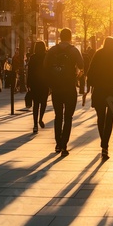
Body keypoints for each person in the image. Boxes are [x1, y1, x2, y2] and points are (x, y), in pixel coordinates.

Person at [44, 28, 84, 156]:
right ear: (70, 37)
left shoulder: (52, 50)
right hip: (69, 87)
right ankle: (64, 144)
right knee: (68, 117)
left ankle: (57, 143)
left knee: (58, 116)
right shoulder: (73, 51)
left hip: (56, 88)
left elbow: (45, 66)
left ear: (60, 37)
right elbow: (82, 65)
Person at [86, 37, 113, 160]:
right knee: (109, 120)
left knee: (101, 117)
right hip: (112, 91)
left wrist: (88, 88)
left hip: (99, 91)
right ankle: (105, 145)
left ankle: (103, 142)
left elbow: (90, 72)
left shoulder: (98, 54)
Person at [27, 41, 49, 134]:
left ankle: (35, 124)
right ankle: (41, 119)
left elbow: (30, 71)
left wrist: (28, 83)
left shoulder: (33, 57)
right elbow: (49, 69)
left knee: (36, 104)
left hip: (35, 83)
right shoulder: (46, 56)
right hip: (44, 83)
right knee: (43, 102)